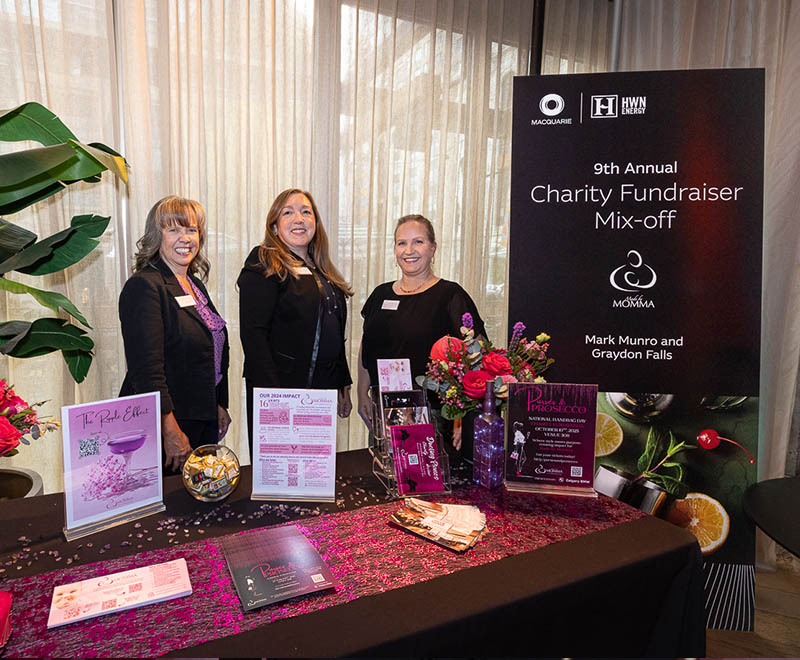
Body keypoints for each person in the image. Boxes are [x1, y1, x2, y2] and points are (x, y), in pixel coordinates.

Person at [238, 188, 353, 457]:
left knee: (315, 471)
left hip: (321, 391)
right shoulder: (264, 260)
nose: (299, 219)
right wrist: (276, 399)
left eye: (306, 212)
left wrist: (343, 384)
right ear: (275, 226)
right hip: (283, 391)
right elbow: (253, 334)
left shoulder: (322, 269)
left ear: (315, 223)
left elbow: (334, 329)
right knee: (283, 472)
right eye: (288, 213)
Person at [119, 196, 231, 472]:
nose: (185, 238)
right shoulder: (145, 287)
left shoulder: (193, 285)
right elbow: (146, 371)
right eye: (173, 229)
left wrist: (219, 403)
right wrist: (168, 429)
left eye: (191, 229)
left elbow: (211, 348)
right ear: (157, 236)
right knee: (173, 498)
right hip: (168, 424)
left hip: (200, 414)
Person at [358, 214, 486, 452]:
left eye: (418, 241)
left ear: (433, 248)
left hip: (433, 416)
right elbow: (367, 347)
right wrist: (362, 394)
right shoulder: (380, 294)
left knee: (427, 475)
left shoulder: (450, 295)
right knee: (382, 473)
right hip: (383, 411)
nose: (409, 250)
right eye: (402, 243)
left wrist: (463, 417)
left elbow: (477, 358)